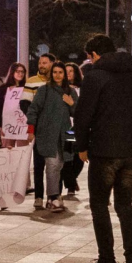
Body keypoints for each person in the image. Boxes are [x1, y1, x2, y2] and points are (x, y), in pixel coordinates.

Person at [74, 34, 132, 263]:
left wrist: (82, 146)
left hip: (105, 151)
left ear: (95, 55)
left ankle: (107, 261)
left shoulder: (95, 77)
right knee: (125, 205)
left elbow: (83, 115)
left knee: (99, 205)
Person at [25, 61, 76, 213]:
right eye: (55, 72)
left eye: (60, 72)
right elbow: (33, 110)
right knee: (52, 164)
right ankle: (53, 197)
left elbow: (78, 113)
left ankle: (54, 196)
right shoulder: (44, 90)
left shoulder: (71, 91)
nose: (57, 75)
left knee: (62, 164)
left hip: (68, 133)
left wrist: (71, 103)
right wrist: (31, 130)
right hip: (47, 133)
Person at [25, 52, 57, 203]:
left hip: (57, 130)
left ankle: (54, 196)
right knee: (39, 164)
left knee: (56, 165)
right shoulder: (32, 82)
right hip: (39, 129)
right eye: (40, 63)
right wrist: (33, 126)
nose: (41, 65)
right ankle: (38, 196)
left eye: (44, 63)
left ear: (52, 64)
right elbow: (25, 104)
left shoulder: (58, 82)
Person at [61, 62, 86, 195]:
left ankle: (71, 179)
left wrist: (73, 103)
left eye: (71, 71)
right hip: (68, 127)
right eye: (66, 71)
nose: (68, 73)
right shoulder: (62, 89)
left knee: (79, 155)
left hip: (81, 127)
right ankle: (70, 184)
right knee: (67, 155)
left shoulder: (84, 88)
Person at [0, 62, 28, 142]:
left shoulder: (27, 88)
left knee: (22, 149)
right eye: (17, 71)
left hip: (22, 126)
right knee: (7, 148)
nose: (20, 74)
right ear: (12, 72)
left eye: (22, 72)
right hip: (7, 125)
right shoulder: (3, 88)